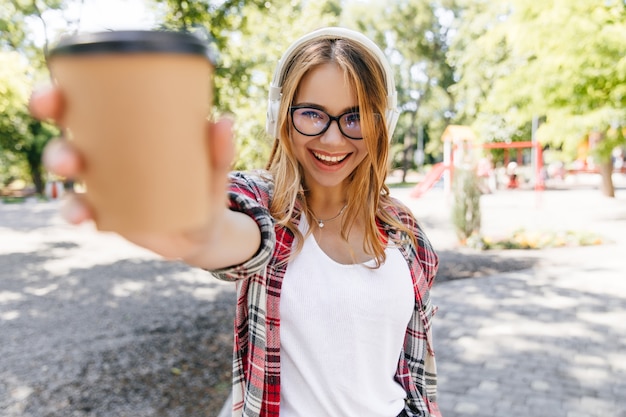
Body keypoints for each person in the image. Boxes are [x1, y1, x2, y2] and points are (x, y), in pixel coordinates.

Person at [31, 27, 441, 417]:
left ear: (382, 123)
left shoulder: (402, 230)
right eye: (313, 114)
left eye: (355, 118)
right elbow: (233, 232)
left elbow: (412, 371)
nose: (332, 139)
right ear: (280, 115)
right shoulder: (270, 206)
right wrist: (197, 230)